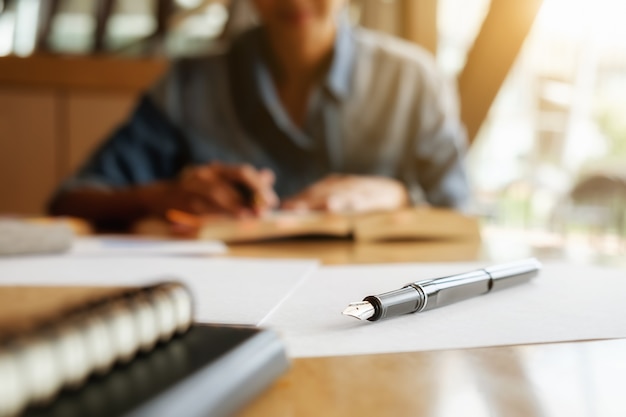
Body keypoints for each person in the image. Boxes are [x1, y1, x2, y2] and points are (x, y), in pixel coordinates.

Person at [49, 0, 469, 229]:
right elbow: (71, 200)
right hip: (221, 309)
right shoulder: (189, 85)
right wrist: (163, 197)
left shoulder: (411, 79)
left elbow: (465, 217)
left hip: (375, 310)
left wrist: (398, 197)